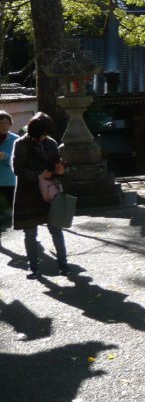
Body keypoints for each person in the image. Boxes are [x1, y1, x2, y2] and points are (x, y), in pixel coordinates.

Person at [11, 113, 69, 279]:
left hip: (50, 191)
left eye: (45, 134)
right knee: (30, 233)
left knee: (56, 229)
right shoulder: (20, 143)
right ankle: (33, 267)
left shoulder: (51, 143)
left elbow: (58, 164)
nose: (43, 137)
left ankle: (63, 264)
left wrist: (60, 171)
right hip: (28, 194)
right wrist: (38, 175)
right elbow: (18, 169)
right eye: (41, 134)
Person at [0, 111, 16, 232]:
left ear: (10, 124)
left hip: (9, 180)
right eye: (1, 123)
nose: (4, 125)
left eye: (6, 123)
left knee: (11, 206)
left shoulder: (16, 140)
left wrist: (5, 156)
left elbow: (20, 159)